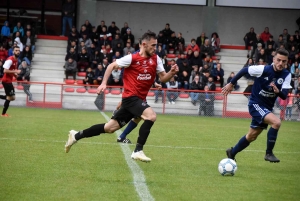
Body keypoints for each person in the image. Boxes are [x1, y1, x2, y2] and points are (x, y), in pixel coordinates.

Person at [64, 31, 179, 162]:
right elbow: (111, 66)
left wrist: (171, 73)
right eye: (153, 45)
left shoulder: (156, 59)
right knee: (151, 116)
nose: (155, 48)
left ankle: (76, 136)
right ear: (144, 44)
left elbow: (163, 78)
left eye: (156, 45)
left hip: (136, 101)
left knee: (109, 128)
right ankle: (138, 150)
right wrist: (103, 83)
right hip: (131, 98)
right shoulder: (132, 58)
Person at [222, 48, 292, 163]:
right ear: (274, 59)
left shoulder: (286, 75)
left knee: (252, 136)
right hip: (256, 104)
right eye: (278, 60)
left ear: (287, 62)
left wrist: (277, 92)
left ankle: (232, 152)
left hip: (267, 108)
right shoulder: (263, 69)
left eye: (284, 61)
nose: (281, 63)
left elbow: (284, 95)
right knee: (276, 122)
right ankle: (269, 153)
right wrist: (231, 83)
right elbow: (245, 70)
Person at [0, 46, 21, 117]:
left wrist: (15, 76)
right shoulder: (10, 60)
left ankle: (3, 113)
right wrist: (16, 71)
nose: (18, 51)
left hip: (8, 81)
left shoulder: (16, 60)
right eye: (16, 50)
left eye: (18, 50)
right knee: (10, 97)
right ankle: (3, 114)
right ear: (13, 52)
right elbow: (5, 70)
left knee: (11, 97)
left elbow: (11, 71)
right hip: (6, 81)